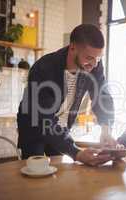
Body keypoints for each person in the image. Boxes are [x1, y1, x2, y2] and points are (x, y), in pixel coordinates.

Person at [17, 24, 115, 166]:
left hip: (62, 129)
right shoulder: (44, 68)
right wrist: (76, 153)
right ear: (72, 48)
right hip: (35, 127)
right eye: (89, 57)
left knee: (60, 172)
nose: (94, 64)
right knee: (35, 172)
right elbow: (44, 120)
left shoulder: (94, 65)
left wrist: (106, 129)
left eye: (98, 58)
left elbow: (103, 96)